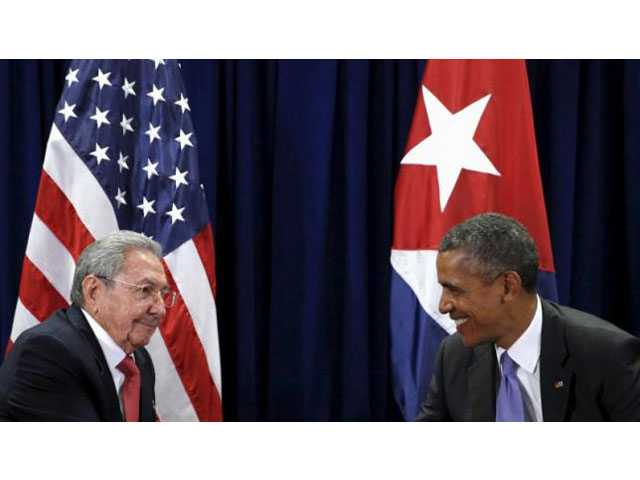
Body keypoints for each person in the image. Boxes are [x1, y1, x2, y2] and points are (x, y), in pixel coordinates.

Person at [415, 213, 640, 421]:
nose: (443, 306)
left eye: (455, 290)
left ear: (508, 286)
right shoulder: (455, 355)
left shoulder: (606, 356)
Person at [0, 230, 175, 421]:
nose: (160, 310)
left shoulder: (138, 359)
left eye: (163, 294)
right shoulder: (48, 352)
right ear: (93, 291)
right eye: (145, 290)